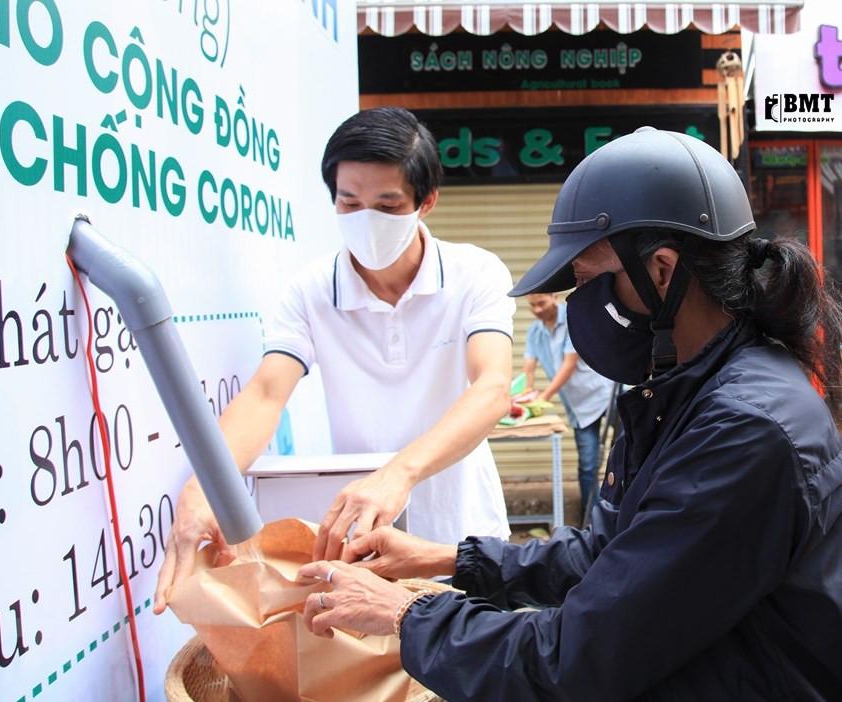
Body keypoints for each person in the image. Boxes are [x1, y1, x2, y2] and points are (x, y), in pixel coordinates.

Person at [297, 127, 842, 701]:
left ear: (661, 269)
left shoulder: (743, 429)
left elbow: (579, 656)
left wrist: (410, 615)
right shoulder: (685, 388)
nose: (574, 302)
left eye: (584, 279)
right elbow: (616, 556)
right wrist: (448, 559)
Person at [153, 106, 516, 614]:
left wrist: (397, 475)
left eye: (387, 206)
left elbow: (492, 388)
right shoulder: (311, 291)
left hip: (461, 532)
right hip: (365, 542)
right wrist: (204, 488)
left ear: (425, 202)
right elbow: (264, 394)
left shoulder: (474, 273)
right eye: (349, 203)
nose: (366, 220)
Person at [522, 291, 615, 514]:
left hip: (605, 393)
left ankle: (624, 512)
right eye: (532, 305)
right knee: (587, 464)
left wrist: (543, 398)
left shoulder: (573, 319)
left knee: (625, 454)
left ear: (554, 297)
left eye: (541, 303)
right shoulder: (535, 331)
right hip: (578, 406)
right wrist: (528, 391)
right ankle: (592, 517)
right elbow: (529, 365)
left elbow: (568, 365)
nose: (537, 310)